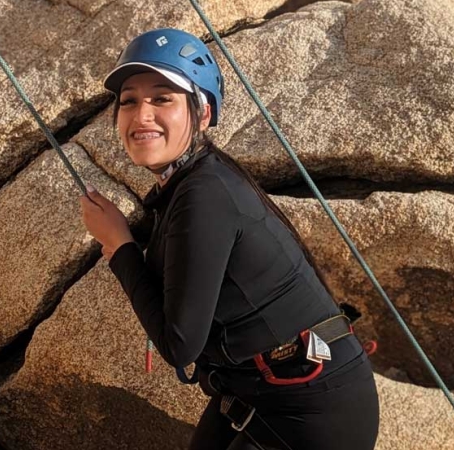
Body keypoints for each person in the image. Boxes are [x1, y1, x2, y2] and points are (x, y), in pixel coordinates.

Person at [80, 28, 380, 450]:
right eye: (129, 101)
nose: (141, 114)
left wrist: (120, 247)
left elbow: (180, 343)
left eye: (162, 98)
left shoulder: (204, 193)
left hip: (312, 408)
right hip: (263, 387)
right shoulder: (191, 181)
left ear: (202, 114)